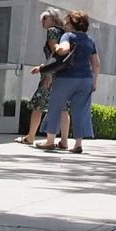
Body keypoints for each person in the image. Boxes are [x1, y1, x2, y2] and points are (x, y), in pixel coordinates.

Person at [40, 10, 97, 152]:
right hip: (86, 79)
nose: (65, 26)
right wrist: (95, 82)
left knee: (55, 107)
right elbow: (96, 63)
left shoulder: (68, 36)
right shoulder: (90, 40)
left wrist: (56, 47)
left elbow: (64, 50)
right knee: (80, 111)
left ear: (73, 24)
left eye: (67, 23)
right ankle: (78, 144)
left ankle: (50, 140)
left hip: (67, 78)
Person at [20, 9, 68, 145]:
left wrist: (48, 72)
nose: (42, 21)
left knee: (38, 105)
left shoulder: (52, 31)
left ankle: (30, 137)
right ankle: (64, 141)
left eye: (45, 18)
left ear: (53, 18)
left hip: (52, 72)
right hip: (63, 74)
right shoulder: (65, 33)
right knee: (64, 107)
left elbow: (55, 53)